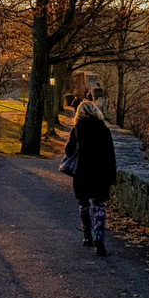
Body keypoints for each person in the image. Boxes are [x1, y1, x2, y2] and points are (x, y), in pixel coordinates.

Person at [64, 100, 117, 257]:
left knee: (84, 204)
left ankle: (87, 236)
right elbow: (110, 155)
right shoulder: (104, 130)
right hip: (100, 173)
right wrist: (111, 176)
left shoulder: (77, 129)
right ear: (96, 112)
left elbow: (69, 152)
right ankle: (99, 236)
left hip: (83, 172)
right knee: (99, 206)